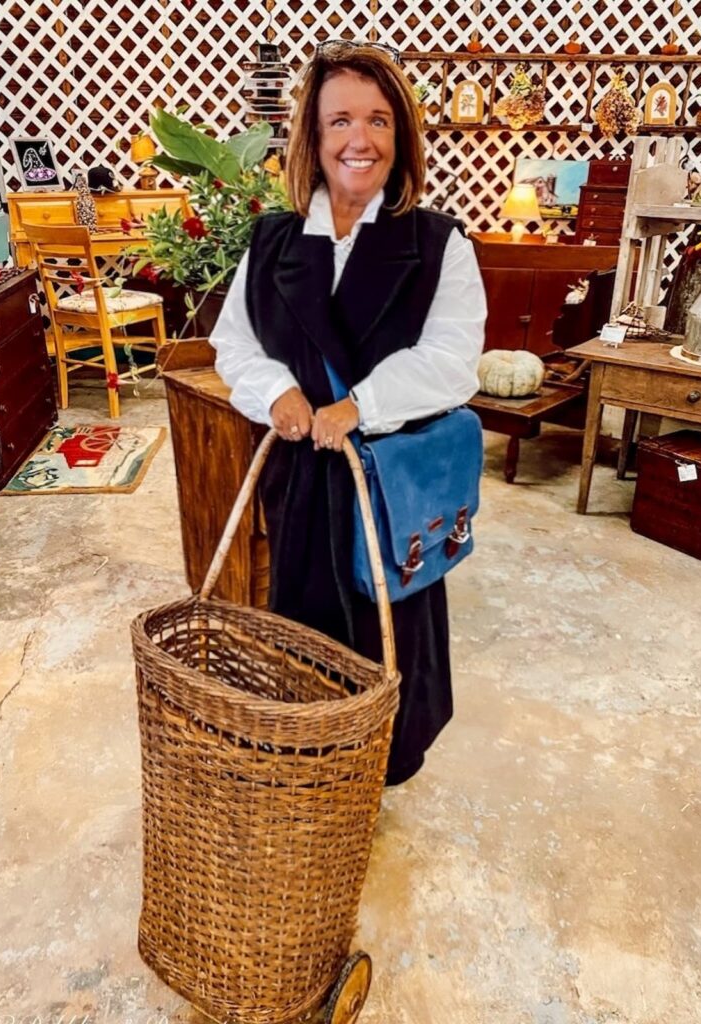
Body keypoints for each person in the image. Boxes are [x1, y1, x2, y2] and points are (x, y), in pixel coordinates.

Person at [212, 41, 486, 785]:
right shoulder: (273, 241)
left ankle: (380, 770)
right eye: (339, 121)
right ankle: (309, 767)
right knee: (301, 640)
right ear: (314, 136)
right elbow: (231, 342)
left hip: (390, 494)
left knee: (389, 642)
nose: (357, 140)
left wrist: (359, 405)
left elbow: (452, 360)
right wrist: (276, 392)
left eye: (377, 120)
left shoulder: (437, 247)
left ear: (401, 137)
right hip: (301, 488)